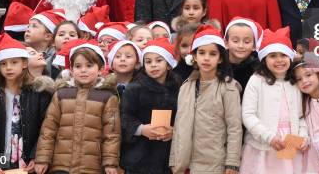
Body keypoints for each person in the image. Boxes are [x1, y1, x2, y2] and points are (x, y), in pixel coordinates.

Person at [35, 41, 121, 174]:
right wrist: (42, 158)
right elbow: (48, 130)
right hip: (61, 165)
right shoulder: (61, 94)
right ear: (71, 70)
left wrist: (110, 163)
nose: (83, 70)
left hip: (92, 167)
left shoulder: (108, 97)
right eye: (78, 66)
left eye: (89, 65)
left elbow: (112, 134)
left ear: (100, 69)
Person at [169, 25, 242, 174]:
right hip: (185, 163)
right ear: (194, 56)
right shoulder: (186, 86)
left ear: (220, 58)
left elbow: (234, 127)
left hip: (214, 162)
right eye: (202, 53)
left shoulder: (228, 87)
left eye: (212, 54)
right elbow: (179, 125)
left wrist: (232, 163)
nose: (206, 58)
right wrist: (174, 159)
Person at [0, 34, 54, 172]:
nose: (8, 68)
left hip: (27, 163)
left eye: (14, 62)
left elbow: (45, 129)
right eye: (3, 63)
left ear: (24, 63)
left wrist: (36, 156)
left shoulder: (39, 93)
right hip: (0, 163)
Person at [241, 27, 307, 173]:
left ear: (290, 57)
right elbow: (248, 114)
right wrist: (269, 137)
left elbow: (301, 116)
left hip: (289, 148)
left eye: (283, 55)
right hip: (262, 146)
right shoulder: (256, 80)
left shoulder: (294, 82)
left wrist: (303, 136)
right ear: (264, 59)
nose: (279, 60)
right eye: (273, 56)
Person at [121, 38, 181, 174]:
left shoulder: (179, 87)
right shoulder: (134, 88)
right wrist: (141, 129)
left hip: (167, 156)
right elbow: (124, 116)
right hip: (139, 157)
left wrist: (175, 131)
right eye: (148, 61)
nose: (153, 65)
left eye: (159, 60)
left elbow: (184, 117)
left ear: (168, 64)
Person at [225, 17, 261, 93]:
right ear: (226, 43)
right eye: (235, 41)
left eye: (246, 42)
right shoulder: (218, 66)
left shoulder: (259, 70)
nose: (241, 46)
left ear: (254, 46)